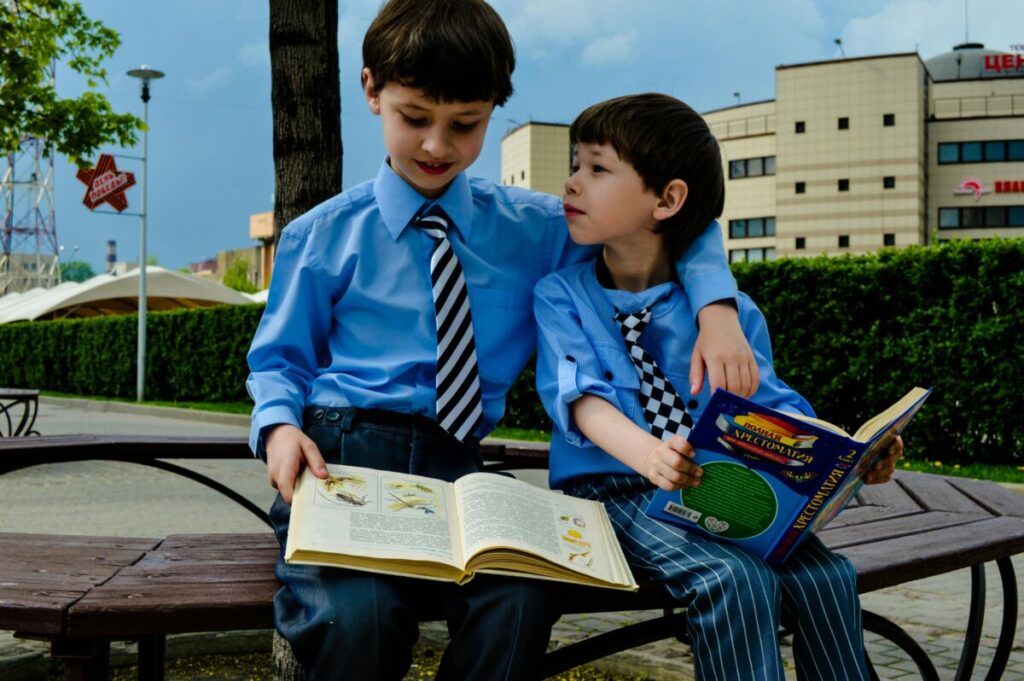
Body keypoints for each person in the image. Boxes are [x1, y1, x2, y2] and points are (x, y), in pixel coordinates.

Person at [246, 1, 759, 678]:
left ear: (495, 107)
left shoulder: (539, 230)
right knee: (358, 617)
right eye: (414, 118)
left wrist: (716, 305)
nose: (437, 145)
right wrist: (280, 428)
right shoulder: (322, 235)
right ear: (371, 90)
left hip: (457, 470)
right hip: (343, 462)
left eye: (466, 125)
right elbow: (280, 359)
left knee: (520, 595)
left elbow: (671, 219)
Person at [534, 93, 905, 681]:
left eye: (597, 168)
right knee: (732, 579)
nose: (573, 183)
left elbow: (769, 405)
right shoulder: (562, 295)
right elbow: (580, 400)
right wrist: (650, 455)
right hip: (612, 494)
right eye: (575, 165)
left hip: (716, 490)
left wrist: (849, 456)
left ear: (668, 199)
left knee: (828, 578)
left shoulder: (731, 317)